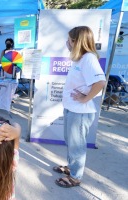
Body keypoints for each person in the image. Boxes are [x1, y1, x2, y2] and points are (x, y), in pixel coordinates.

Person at [54, 26, 106, 188]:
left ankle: (76, 177)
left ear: (77, 42)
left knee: (77, 144)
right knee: (71, 141)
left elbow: (100, 83)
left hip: (81, 111)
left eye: (69, 40)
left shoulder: (89, 58)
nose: (67, 43)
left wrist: (85, 99)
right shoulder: (80, 59)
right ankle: (71, 167)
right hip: (72, 108)